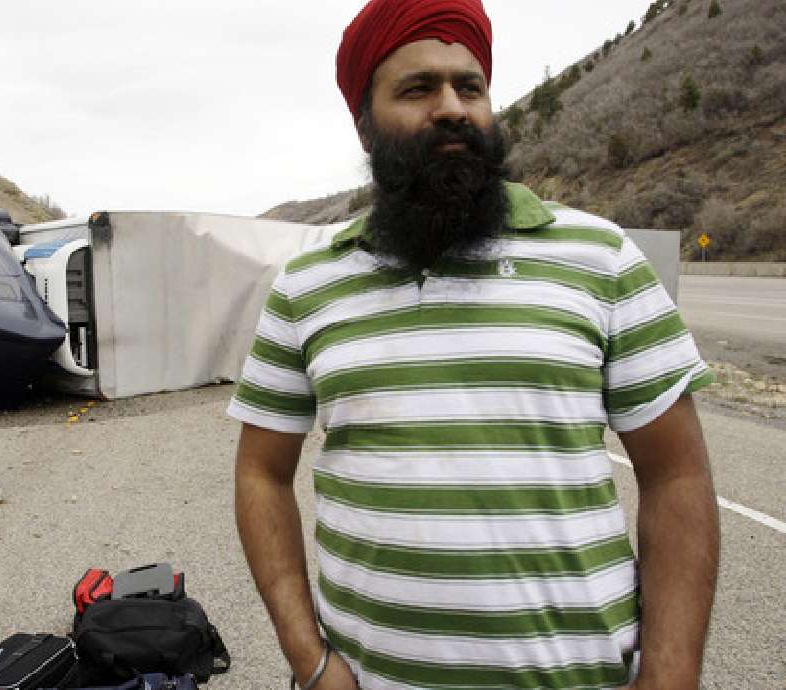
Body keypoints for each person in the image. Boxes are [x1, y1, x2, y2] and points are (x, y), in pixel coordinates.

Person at [229, 1, 720, 688]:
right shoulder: (308, 286)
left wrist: (670, 675)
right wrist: (308, 661)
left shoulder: (601, 257)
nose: (453, 107)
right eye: (418, 88)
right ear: (365, 123)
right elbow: (260, 473)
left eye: (471, 86)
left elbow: (678, 477)